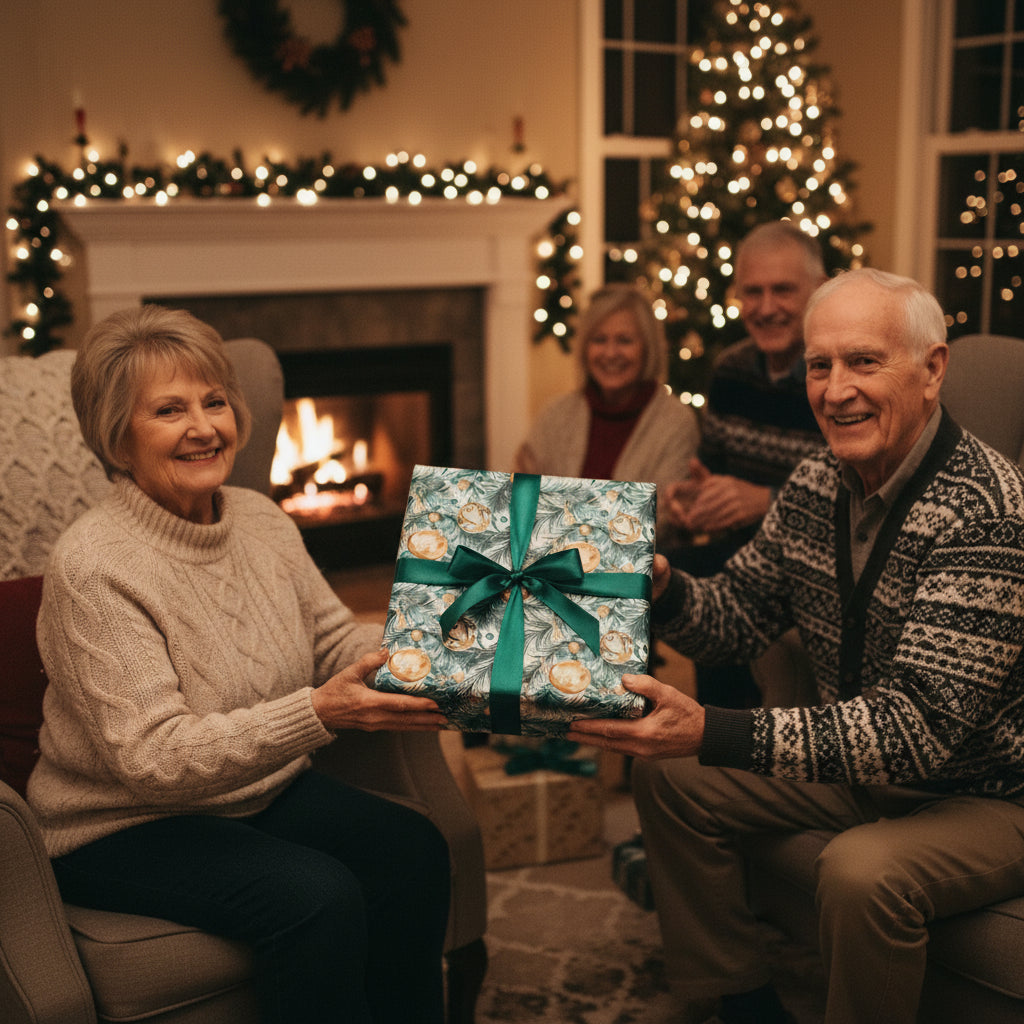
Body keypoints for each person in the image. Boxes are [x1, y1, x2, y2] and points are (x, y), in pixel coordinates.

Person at [568, 268, 1024, 1024]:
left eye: (864, 362)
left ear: (932, 369)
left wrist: (714, 727)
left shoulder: (988, 514)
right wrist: (660, 587)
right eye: (821, 365)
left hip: (988, 791)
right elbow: (736, 616)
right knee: (670, 775)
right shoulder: (816, 481)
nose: (835, 389)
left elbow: (913, 730)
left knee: (857, 870)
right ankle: (740, 998)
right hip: (860, 767)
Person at [28, 305, 451, 1024]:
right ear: (117, 435)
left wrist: (430, 649)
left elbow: (331, 640)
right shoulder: (92, 567)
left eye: (214, 401)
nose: (203, 427)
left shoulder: (260, 517)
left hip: (257, 790)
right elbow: (153, 759)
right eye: (169, 410)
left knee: (412, 849)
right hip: (125, 823)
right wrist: (319, 711)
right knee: (316, 894)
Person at [663, 220, 826, 708]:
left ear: (818, 291)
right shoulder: (731, 369)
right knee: (628, 573)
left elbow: (861, 503)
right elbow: (710, 468)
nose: (766, 307)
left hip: (810, 568)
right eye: (752, 291)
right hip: (735, 558)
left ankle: (727, 749)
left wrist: (766, 503)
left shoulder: (836, 373)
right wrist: (692, 500)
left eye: (783, 290)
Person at [515, 282, 699, 544]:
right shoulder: (553, 415)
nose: (610, 353)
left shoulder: (677, 423)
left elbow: (661, 523)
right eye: (599, 340)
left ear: (647, 348)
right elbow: (520, 503)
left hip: (640, 578)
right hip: (550, 572)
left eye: (624, 340)